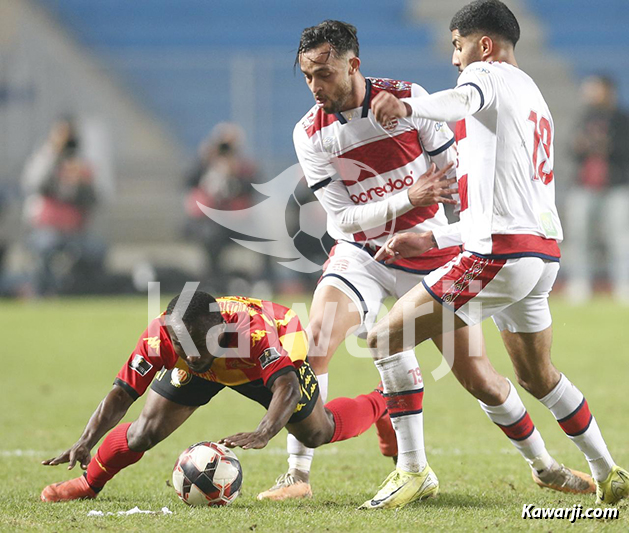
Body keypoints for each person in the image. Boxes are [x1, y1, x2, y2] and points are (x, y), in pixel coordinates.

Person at [258, 19, 593, 502]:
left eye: (324, 74)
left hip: (430, 249)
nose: (315, 87)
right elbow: (341, 221)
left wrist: (452, 222)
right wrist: (407, 196)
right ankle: (298, 475)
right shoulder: (310, 133)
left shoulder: (406, 100)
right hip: (364, 252)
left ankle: (543, 464)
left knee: (479, 377)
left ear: (353, 65)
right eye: (307, 75)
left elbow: (457, 171)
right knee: (317, 339)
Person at [366, 0, 629, 508]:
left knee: (383, 339)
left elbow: (459, 98)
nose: (454, 58)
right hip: (539, 257)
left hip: (498, 259)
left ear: (483, 44)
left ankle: (412, 470)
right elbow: (504, 202)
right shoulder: (534, 95)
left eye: (457, 45)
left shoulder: (486, 75)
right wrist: (436, 239)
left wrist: (407, 107)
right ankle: (607, 469)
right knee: (538, 377)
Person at [40, 290, 390, 502]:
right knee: (143, 431)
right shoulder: (160, 337)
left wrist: (264, 430)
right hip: (209, 371)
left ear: (220, 328)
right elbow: (121, 393)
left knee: (317, 432)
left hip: (266, 360)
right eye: (181, 344)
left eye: (198, 341)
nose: (190, 352)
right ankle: (88, 484)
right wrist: (86, 439)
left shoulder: (252, 330)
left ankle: (382, 402)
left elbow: (287, 386)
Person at [184, 123, 273, 291]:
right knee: (211, 239)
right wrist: (207, 162)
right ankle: (213, 281)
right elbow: (189, 182)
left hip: (238, 221)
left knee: (264, 239)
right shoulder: (204, 165)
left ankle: (264, 281)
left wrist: (235, 172)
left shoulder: (243, 167)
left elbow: (255, 188)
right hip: (210, 223)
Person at [22, 117, 105, 296]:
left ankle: (85, 293)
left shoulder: (81, 164)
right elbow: (36, 185)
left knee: (96, 249)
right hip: (46, 229)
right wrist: (54, 156)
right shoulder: (43, 159)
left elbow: (93, 199)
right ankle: (43, 293)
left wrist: (81, 182)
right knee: (45, 248)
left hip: (75, 232)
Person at [565, 75, 629, 304]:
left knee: (620, 238)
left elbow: (623, 150)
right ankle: (580, 284)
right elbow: (571, 149)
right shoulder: (585, 117)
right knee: (580, 237)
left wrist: (606, 146)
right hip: (584, 186)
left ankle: (623, 285)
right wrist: (581, 145)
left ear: (608, 90)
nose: (590, 92)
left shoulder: (621, 119)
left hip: (616, 186)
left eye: (595, 88)